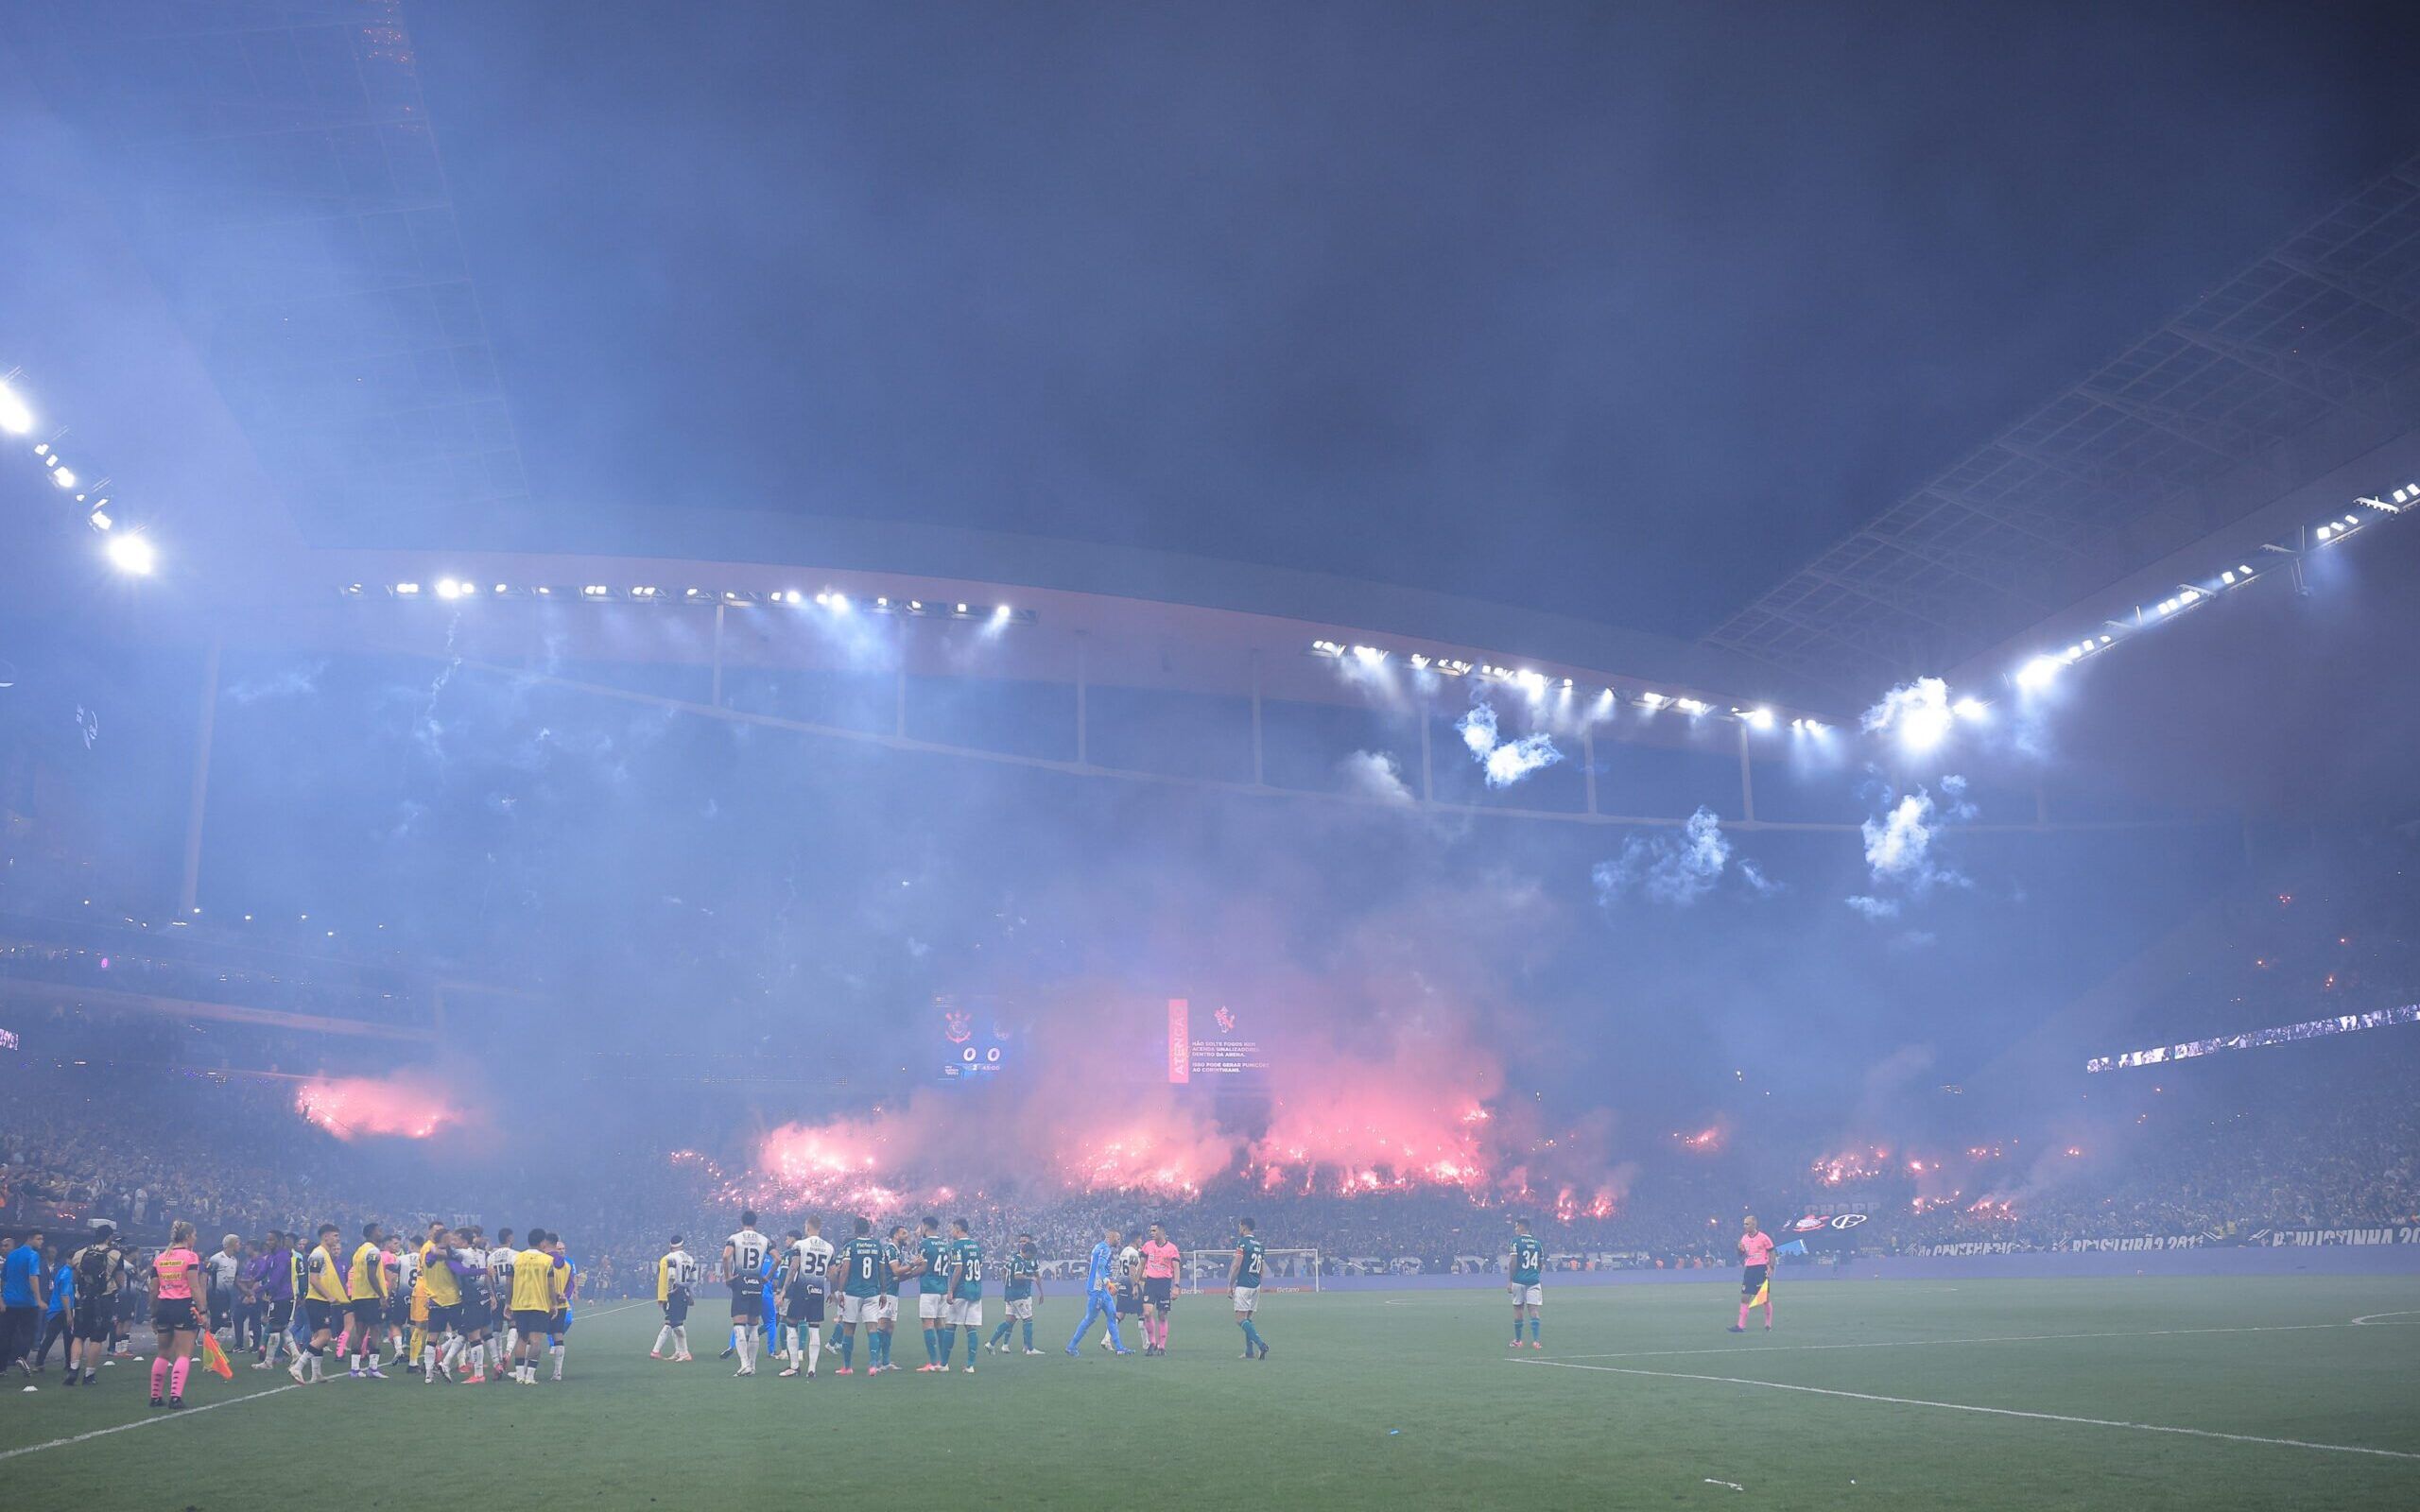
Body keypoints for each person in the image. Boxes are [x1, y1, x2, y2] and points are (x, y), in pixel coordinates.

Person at [149, 1219, 207, 1408]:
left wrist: (153, 1313)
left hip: (164, 1307)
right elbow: (194, 1286)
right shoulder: (190, 1257)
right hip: (183, 1307)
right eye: (195, 1235)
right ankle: (175, 1396)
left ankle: (155, 1396)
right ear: (188, 1237)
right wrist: (203, 1311)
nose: (196, 1238)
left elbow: (153, 1289)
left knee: (163, 1353)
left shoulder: (160, 1258)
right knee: (183, 1354)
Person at [291, 1222, 349, 1383]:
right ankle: (298, 1367)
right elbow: (314, 1279)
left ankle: (316, 1374)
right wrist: (329, 1296)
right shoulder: (318, 1254)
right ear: (326, 1236)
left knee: (319, 1336)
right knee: (324, 1337)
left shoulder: (325, 1253)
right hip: (317, 1300)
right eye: (335, 1236)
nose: (338, 1239)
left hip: (320, 1301)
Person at [508, 1228, 565, 1385]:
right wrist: (553, 1303)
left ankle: (519, 1375)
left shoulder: (516, 1258)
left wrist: (508, 1302)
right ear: (543, 1242)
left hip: (519, 1304)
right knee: (535, 1341)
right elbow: (551, 1285)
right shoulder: (547, 1261)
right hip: (539, 1304)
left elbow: (509, 1282)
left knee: (521, 1338)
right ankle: (530, 1376)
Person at [68, 1226, 123, 1386]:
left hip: (83, 1299)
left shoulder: (80, 1253)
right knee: (97, 1339)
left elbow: (74, 1279)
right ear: (109, 1237)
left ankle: (73, 1369)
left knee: (78, 1336)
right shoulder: (115, 1255)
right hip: (104, 1300)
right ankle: (89, 1374)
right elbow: (120, 1281)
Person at [832, 1215, 886, 1377]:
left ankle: (847, 1367)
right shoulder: (877, 1246)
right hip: (872, 1293)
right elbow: (882, 1271)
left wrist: (840, 1292)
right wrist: (883, 1292)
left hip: (853, 1292)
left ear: (855, 1228)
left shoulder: (851, 1246)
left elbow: (845, 1271)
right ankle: (873, 1365)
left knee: (849, 1328)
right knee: (872, 1328)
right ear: (868, 1229)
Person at [1064, 1224, 1130, 1356]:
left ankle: (1120, 1348)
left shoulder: (1098, 1247)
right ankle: (1071, 1346)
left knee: (1112, 1315)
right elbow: (1100, 1266)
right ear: (1110, 1236)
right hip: (1097, 1289)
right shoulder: (1105, 1249)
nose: (1119, 1241)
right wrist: (1108, 1283)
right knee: (1090, 1319)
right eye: (1118, 1238)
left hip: (1101, 1289)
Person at [779, 1219, 832, 1379]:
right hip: (818, 1291)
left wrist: (783, 1291)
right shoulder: (829, 1248)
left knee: (791, 1324)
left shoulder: (800, 1245)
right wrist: (834, 1291)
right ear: (820, 1228)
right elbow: (832, 1272)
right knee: (814, 1328)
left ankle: (794, 1366)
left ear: (807, 1227)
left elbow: (794, 1267)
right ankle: (812, 1369)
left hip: (801, 1290)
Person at [721, 1211, 770, 1378]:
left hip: (741, 1281)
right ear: (755, 1222)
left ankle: (744, 1364)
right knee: (754, 1325)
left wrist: (728, 1277)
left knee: (739, 1325)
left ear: (742, 1221)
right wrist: (767, 1277)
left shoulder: (735, 1238)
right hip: (757, 1282)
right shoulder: (764, 1240)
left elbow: (726, 1256)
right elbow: (777, 1259)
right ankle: (753, 1366)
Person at [344, 1222, 390, 1379]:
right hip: (370, 1297)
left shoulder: (359, 1251)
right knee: (375, 1330)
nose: (381, 1232)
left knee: (360, 1331)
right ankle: (373, 1367)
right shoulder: (373, 1251)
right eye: (379, 1230)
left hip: (358, 1295)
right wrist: (382, 1296)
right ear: (372, 1233)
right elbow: (372, 1275)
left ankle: (355, 1369)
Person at [987, 1233, 1043, 1356]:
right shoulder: (1018, 1260)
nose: (1022, 1243)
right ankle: (1029, 1348)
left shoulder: (1028, 1260)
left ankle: (991, 1343)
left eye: (1025, 1241)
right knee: (1027, 1319)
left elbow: (1037, 1276)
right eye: (1021, 1241)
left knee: (1010, 1321)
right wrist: (1029, 1278)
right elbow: (1017, 1275)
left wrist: (1040, 1292)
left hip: (1015, 1295)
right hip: (1020, 1295)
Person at [0, 1226, 43, 1377]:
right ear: (30, 1239)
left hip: (10, 1301)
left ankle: (2, 1368)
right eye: (39, 1239)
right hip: (27, 1302)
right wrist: (39, 1299)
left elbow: (3, 1278)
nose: (41, 1242)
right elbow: (33, 1277)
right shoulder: (33, 1255)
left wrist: (1, 1299)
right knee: (29, 1333)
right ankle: (20, 1358)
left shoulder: (11, 1255)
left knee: (6, 1334)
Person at [942, 1217, 983, 1373]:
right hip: (975, 1290)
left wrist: (951, 1290)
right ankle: (970, 1365)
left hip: (961, 1290)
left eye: (952, 1228)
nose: (951, 1231)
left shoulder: (957, 1246)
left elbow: (958, 1268)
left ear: (958, 1229)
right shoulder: (976, 1246)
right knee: (970, 1327)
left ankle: (944, 1364)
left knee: (950, 1325)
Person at [911, 1214, 950, 1371]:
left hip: (929, 1288)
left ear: (925, 1227)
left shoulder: (925, 1243)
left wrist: (906, 1274)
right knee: (940, 1323)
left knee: (927, 1323)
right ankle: (943, 1362)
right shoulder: (945, 1244)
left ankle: (933, 1363)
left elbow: (923, 1267)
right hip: (942, 1288)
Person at [1229, 1216, 1269, 1360]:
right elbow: (1262, 1270)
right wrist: (1257, 1284)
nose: (1239, 1229)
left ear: (1244, 1227)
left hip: (1244, 1285)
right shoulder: (1259, 1246)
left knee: (1240, 1319)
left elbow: (1237, 1265)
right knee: (1248, 1319)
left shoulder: (1243, 1243)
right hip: (1256, 1285)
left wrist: (1230, 1284)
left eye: (1239, 1226)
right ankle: (1249, 1351)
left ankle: (1261, 1344)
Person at [651, 1235, 697, 1361]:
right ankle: (680, 1352)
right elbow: (693, 1279)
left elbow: (671, 1276)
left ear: (671, 1245)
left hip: (674, 1292)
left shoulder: (670, 1257)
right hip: (684, 1292)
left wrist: (670, 1291)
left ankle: (684, 1353)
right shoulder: (690, 1258)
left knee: (675, 1323)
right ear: (682, 1245)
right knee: (677, 1322)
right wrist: (690, 1294)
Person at [1139, 1222, 1181, 1356]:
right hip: (1150, 1283)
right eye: (1151, 1230)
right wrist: (1135, 1283)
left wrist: (1176, 1286)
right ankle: (1152, 1342)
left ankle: (1162, 1346)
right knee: (1146, 1313)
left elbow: (1176, 1268)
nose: (1151, 1233)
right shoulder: (1147, 1246)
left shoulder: (1172, 1248)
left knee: (1162, 1315)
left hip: (1164, 1283)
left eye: (1154, 1230)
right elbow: (1141, 1265)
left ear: (1162, 1231)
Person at [33, 1242, 73, 1374]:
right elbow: (64, 1294)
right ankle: (68, 1364)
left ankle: (39, 1362)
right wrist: (69, 1314)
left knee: (52, 1337)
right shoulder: (67, 1273)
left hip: (57, 1308)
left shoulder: (62, 1270)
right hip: (62, 1309)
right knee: (66, 1338)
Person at [485, 1228, 520, 1379]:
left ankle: (498, 1360)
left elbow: (488, 1277)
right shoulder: (516, 1255)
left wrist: (492, 1295)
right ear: (510, 1238)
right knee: (513, 1324)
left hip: (497, 1295)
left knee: (497, 1327)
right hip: (512, 1295)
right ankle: (508, 1351)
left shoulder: (491, 1256)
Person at [877, 1224, 912, 1373]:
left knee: (890, 1327)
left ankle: (885, 1362)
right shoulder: (891, 1249)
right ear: (895, 1235)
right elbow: (896, 1271)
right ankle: (875, 1361)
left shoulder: (898, 1251)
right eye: (904, 1233)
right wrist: (913, 1265)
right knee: (882, 1325)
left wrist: (913, 1270)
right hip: (886, 1293)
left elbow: (897, 1276)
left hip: (894, 1293)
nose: (907, 1236)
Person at [1732, 1215, 1775, 1332]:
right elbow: (1741, 1254)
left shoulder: (1764, 1238)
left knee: (1764, 1298)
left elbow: (1772, 1251)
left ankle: (1768, 1324)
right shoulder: (1744, 1238)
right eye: (1744, 1224)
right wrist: (1740, 1250)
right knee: (1745, 1296)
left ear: (1754, 1224)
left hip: (1761, 1269)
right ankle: (1741, 1326)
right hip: (1749, 1269)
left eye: (1747, 1224)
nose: (1744, 1226)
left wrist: (1771, 1266)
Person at [1509, 1217, 1545, 1349]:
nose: (1515, 1229)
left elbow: (1513, 1262)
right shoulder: (1537, 1244)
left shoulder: (1516, 1242)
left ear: (1522, 1227)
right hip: (1534, 1281)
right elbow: (1540, 1265)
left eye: (1516, 1227)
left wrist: (1510, 1280)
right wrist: (1534, 1274)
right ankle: (1536, 1341)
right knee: (1534, 1310)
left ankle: (1518, 1341)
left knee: (1518, 1309)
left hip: (1519, 1280)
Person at [546, 1235, 578, 1381]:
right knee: (558, 1334)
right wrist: (564, 1295)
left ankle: (525, 1372)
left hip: (544, 1303)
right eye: (560, 1248)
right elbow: (571, 1282)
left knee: (531, 1336)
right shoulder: (566, 1264)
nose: (562, 1251)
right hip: (561, 1303)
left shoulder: (544, 1260)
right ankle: (557, 1372)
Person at [204, 1234, 244, 1344]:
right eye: (238, 1242)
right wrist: (205, 1297)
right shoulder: (216, 1258)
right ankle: (214, 1351)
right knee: (226, 1325)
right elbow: (205, 1276)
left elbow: (235, 1280)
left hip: (227, 1298)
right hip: (215, 1297)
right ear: (231, 1244)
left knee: (216, 1326)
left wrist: (246, 1292)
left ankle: (210, 1353)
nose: (240, 1245)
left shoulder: (235, 1260)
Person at [1111, 1229, 1145, 1351]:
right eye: (1140, 1239)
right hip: (1131, 1283)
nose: (1141, 1241)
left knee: (1120, 1313)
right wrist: (1135, 1285)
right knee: (1142, 1312)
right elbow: (1132, 1270)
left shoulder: (1123, 1251)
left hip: (1122, 1283)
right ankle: (1146, 1343)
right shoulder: (1135, 1253)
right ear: (1136, 1240)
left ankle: (1106, 1338)